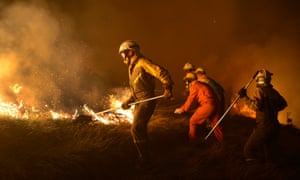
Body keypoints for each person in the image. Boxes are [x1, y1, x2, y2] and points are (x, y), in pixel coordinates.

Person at [119, 40, 174, 168]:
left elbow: (162, 72)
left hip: (146, 101)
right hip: (139, 101)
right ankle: (147, 154)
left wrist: (168, 88)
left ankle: (145, 160)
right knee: (140, 129)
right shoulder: (132, 67)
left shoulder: (143, 62)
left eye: (123, 54)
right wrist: (129, 101)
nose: (123, 57)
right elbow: (137, 89)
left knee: (136, 128)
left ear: (131, 52)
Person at [238, 69, 287, 164]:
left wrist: (244, 97)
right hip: (274, 126)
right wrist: (271, 107)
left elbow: (255, 106)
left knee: (248, 150)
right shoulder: (274, 92)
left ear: (260, 79)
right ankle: (270, 171)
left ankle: (254, 171)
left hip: (264, 126)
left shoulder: (260, 91)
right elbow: (283, 104)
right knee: (270, 153)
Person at [174, 72, 223, 145]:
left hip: (208, 105)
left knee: (193, 121)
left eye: (186, 81)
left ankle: (193, 143)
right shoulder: (203, 84)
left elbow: (190, 100)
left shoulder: (194, 86)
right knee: (216, 125)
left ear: (188, 81)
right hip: (216, 104)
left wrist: (182, 109)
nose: (186, 83)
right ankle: (222, 142)